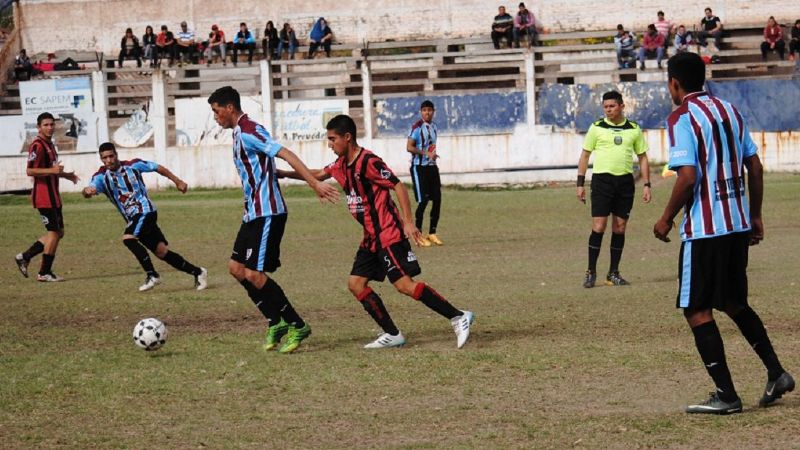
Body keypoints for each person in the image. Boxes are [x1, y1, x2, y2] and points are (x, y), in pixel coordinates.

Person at [654, 52, 795, 414]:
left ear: (674, 83)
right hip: (736, 224)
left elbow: (687, 177)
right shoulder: (730, 110)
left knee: (696, 309)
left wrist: (666, 218)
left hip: (705, 229)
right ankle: (777, 373)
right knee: (733, 302)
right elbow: (755, 167)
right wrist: (755, 215)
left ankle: (727, 395)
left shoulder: (681, 117)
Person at [278, 115, 474, 349]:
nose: (330, 144)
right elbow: (318, 174)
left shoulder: (369, 161)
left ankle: (458, 316)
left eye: (332, 139)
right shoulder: (340, 164)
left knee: (404, 286)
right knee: (356, 284)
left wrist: (408, 222)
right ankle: (392, 334)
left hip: (388, 233)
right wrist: (285, 174)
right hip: (371, 237)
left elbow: (397, 185)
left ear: (347, 137)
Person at [207, 86, 339, 353]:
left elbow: (285, 153)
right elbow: (264, 166)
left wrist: (314, 183)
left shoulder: (250, 131)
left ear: (230, 107)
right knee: (236, 268)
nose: (215, 117)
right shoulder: (238, 133)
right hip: (252, 213)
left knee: (255, 274)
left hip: (267, 212)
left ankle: (297, 324)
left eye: (216, 111)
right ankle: (275, 321)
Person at [81, 143, 208, 292]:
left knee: (128, 239)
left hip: (145, 211)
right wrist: (87, 191)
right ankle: (198, 272)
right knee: (161, 252)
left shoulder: (133, 165)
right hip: (134, 218)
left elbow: (157, 167)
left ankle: (152, 275)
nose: (109, 160)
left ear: (116, 155)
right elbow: (89, 189)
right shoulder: (101, 177)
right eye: (105, 158)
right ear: (101, 159)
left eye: (111, 156)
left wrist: (177, 181)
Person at [576, 91, 651, 288]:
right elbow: (585, 156)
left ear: (621, 106)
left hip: (625, 183)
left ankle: (613, 273)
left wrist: (647, 184)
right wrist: (580, 184)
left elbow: (642, 157)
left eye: (612, 106)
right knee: (599, 226)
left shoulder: (633, 129)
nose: (608, 110)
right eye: (605, 107)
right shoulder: (596, 127)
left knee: (620, 227)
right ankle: (591, 271)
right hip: (602, 182)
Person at [15, 112, 80, 282]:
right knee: (54, 233)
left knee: (59, 233)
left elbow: (51, 170)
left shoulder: (49, 144)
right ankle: (44, 272)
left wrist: (66, 175)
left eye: (52, 124)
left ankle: (25, 256)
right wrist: (53, 170)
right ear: (39, 127)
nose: (50, 127)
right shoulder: (37, 146)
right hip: (44, 197)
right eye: (46, 125)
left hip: (53, 197)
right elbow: (30, 170)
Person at [407, 100, 443, 247]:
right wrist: (426, 153)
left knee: (437, 199)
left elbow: (431, 146)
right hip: (419, 168)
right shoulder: (417, 127)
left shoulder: (434, 126)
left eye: (429, 110)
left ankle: (432, 233)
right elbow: (409, 147)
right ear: (421, 112)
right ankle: (418, 234)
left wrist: (432, 155)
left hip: (432, 167)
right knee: (423, 201)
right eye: (424, 110)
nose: (427, 113)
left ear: (433, 111)